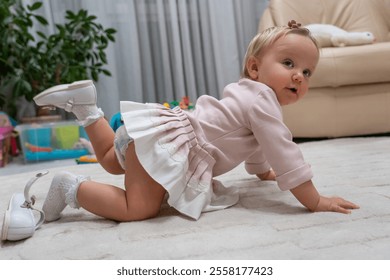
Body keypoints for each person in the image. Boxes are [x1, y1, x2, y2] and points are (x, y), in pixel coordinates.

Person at [33, 20, 359, 223]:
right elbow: (284, 150)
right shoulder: (263, 100)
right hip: (169, 146)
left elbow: (259, 144)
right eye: (288, 62)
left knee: (111, 162)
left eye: (307, 72)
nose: (298, 76)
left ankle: (87, 108)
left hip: (155, 133)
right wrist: (315, 201)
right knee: (139, 209)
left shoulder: (250, 95)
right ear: (255, 68)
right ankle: (70, 189)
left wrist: (261, 172)